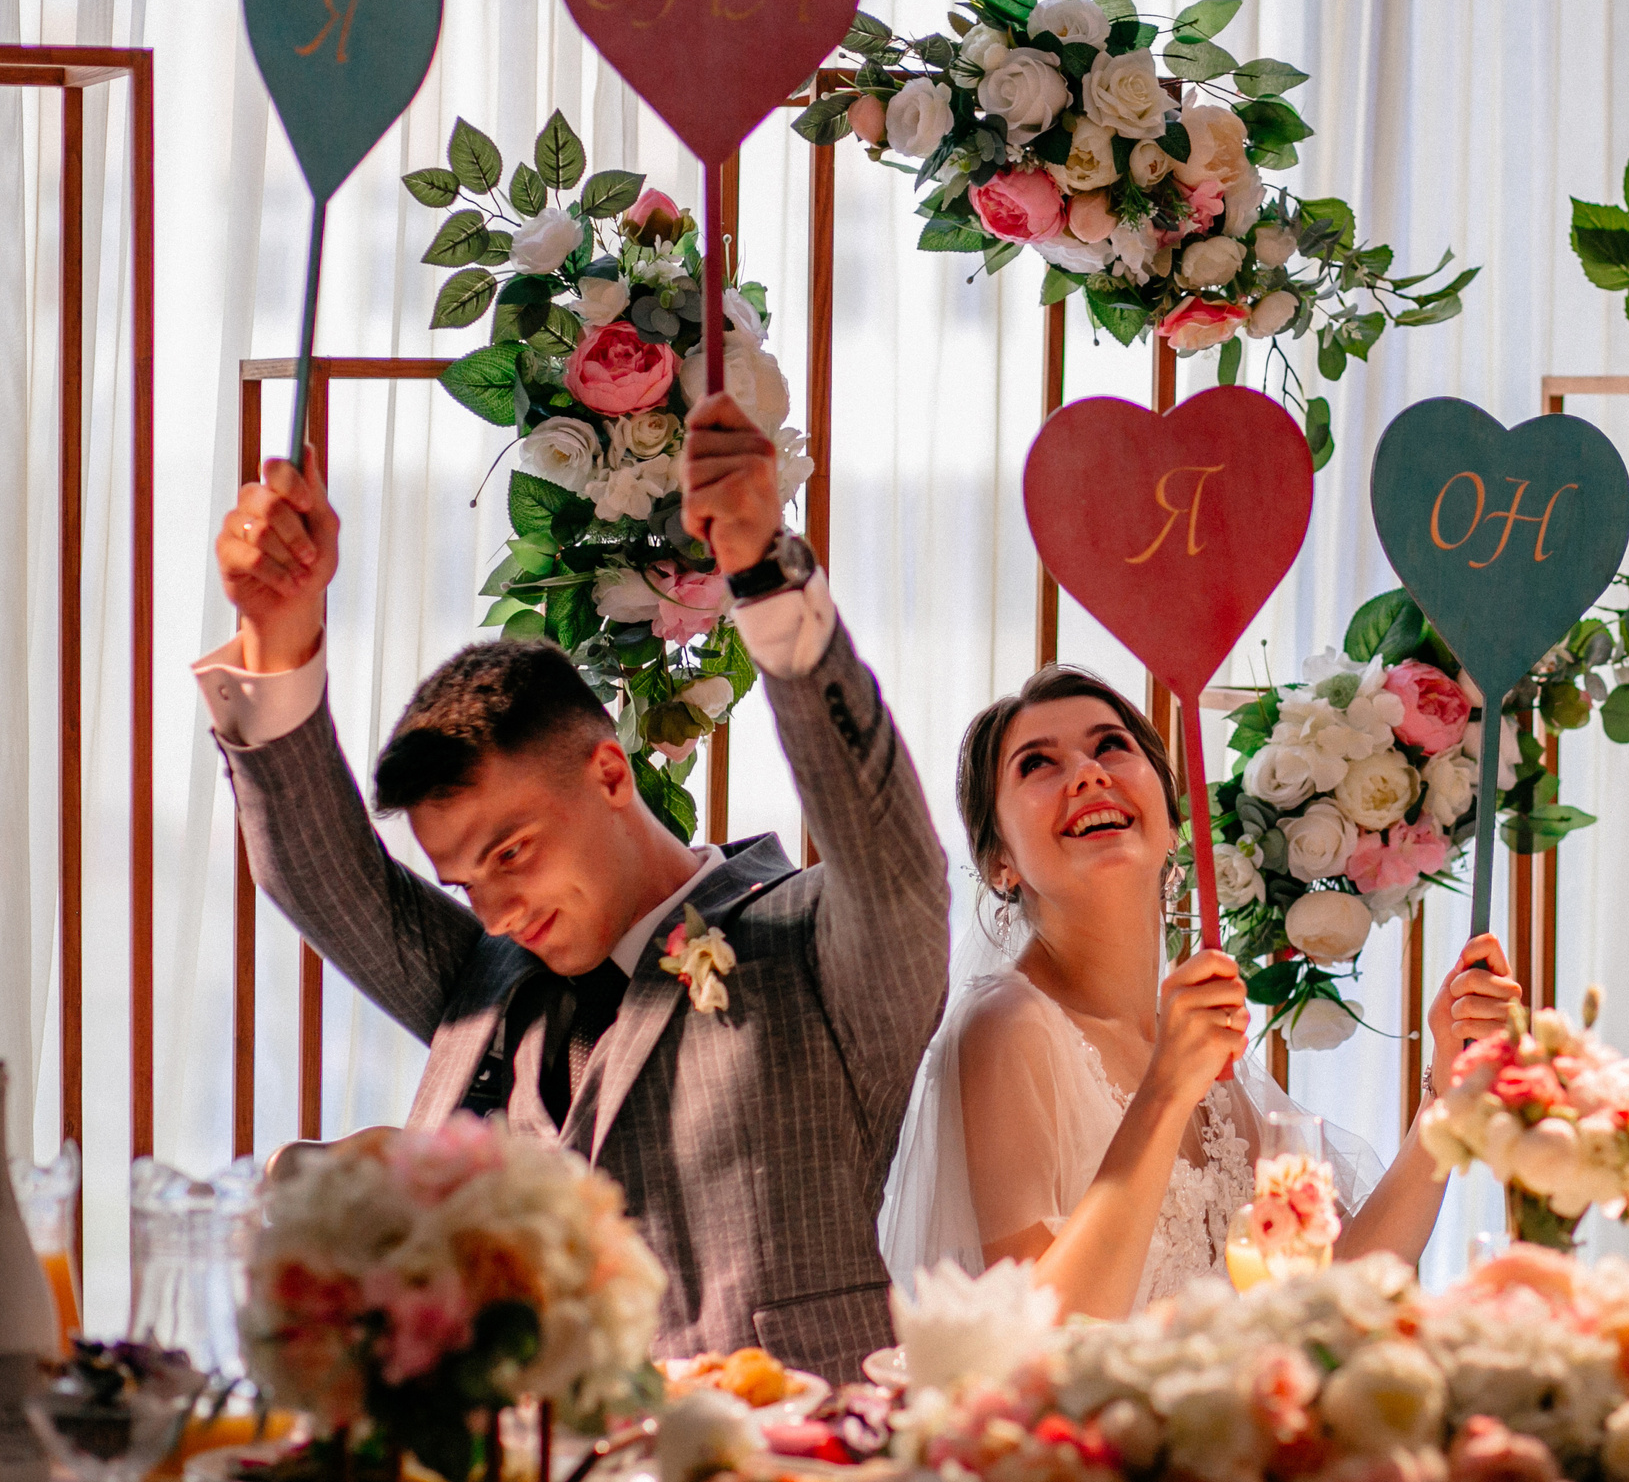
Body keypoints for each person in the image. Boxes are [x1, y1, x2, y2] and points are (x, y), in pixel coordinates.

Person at [200, 389, 948, 1380]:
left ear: (607, 774)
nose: (500, 910)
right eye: (465, 883)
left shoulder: (812, 947)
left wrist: (767, 576)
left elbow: (887, 847)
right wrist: (279, 635)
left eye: (510, 852)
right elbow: (321, 877)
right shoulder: (485, 974)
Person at [880, 665, 1522, 1317]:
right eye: (1037, 764)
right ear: (999, 861)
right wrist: (1164, 1090)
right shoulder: (1007, 1027)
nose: (1088, 772)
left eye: (1110, 745)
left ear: (1170, 822)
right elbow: (1030, 1339)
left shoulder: (1187, 1041)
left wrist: (1447, 1093)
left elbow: (1342, 1283)